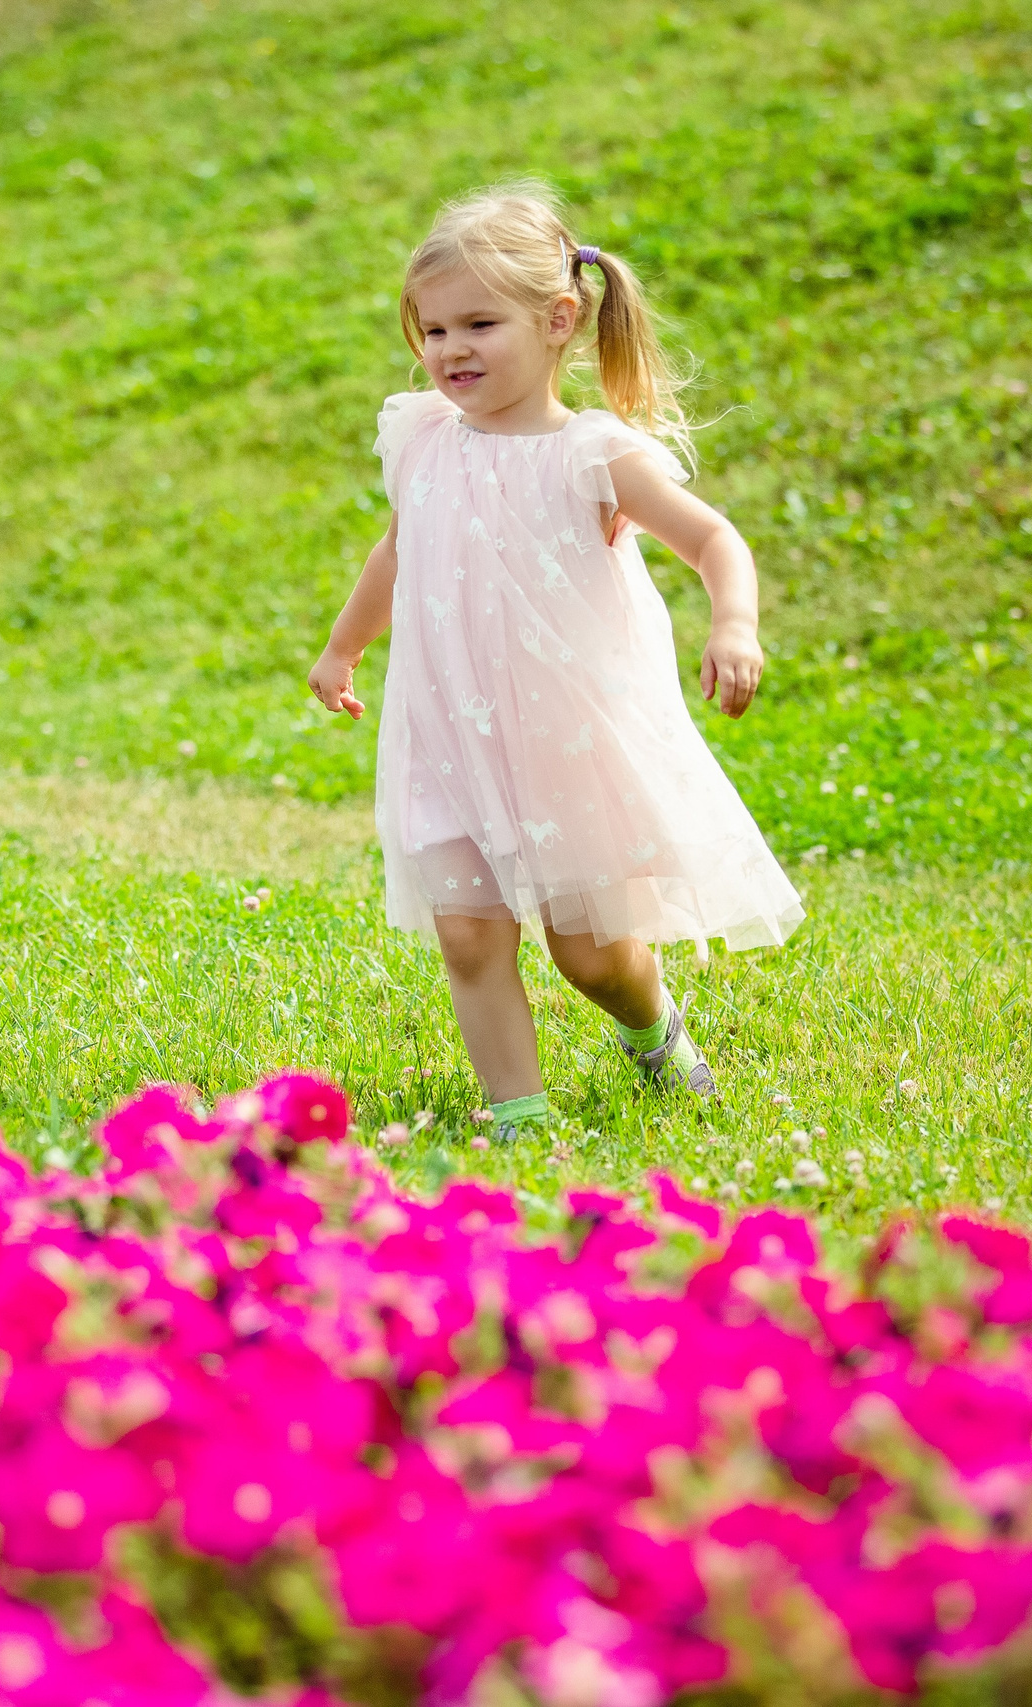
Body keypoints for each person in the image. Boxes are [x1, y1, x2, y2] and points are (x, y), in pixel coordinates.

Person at [307, 181, 804, 1134]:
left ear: (559, 319)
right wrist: (343, 646)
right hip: (449, 733)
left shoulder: (592, 456)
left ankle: (654, 1031)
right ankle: (521, 1119)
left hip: (563, 743)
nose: (450, 349)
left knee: (593, 957)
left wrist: (734, 624)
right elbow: (399, 548)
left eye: (479, 324)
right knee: (468, 936)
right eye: (433, 329)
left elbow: (713, 540)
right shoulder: (422, 441)